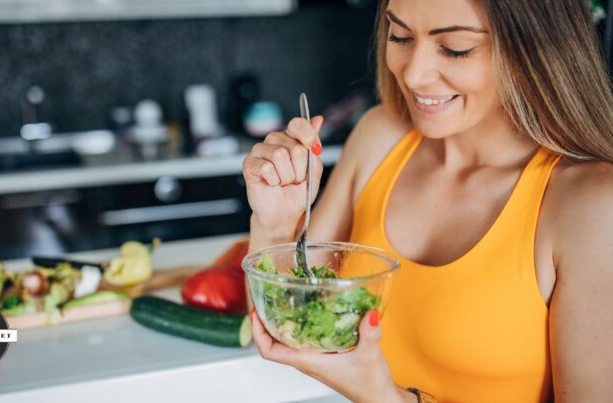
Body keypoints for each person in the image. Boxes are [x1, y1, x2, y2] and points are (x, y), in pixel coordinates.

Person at [241, 0, 613, 401]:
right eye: (400, 36)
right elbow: (286, 323)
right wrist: (277, 224)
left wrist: (385, 396)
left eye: (455, 48)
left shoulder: (589, 207)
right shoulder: (379, 137)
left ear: (536, 48)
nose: (414, 75)